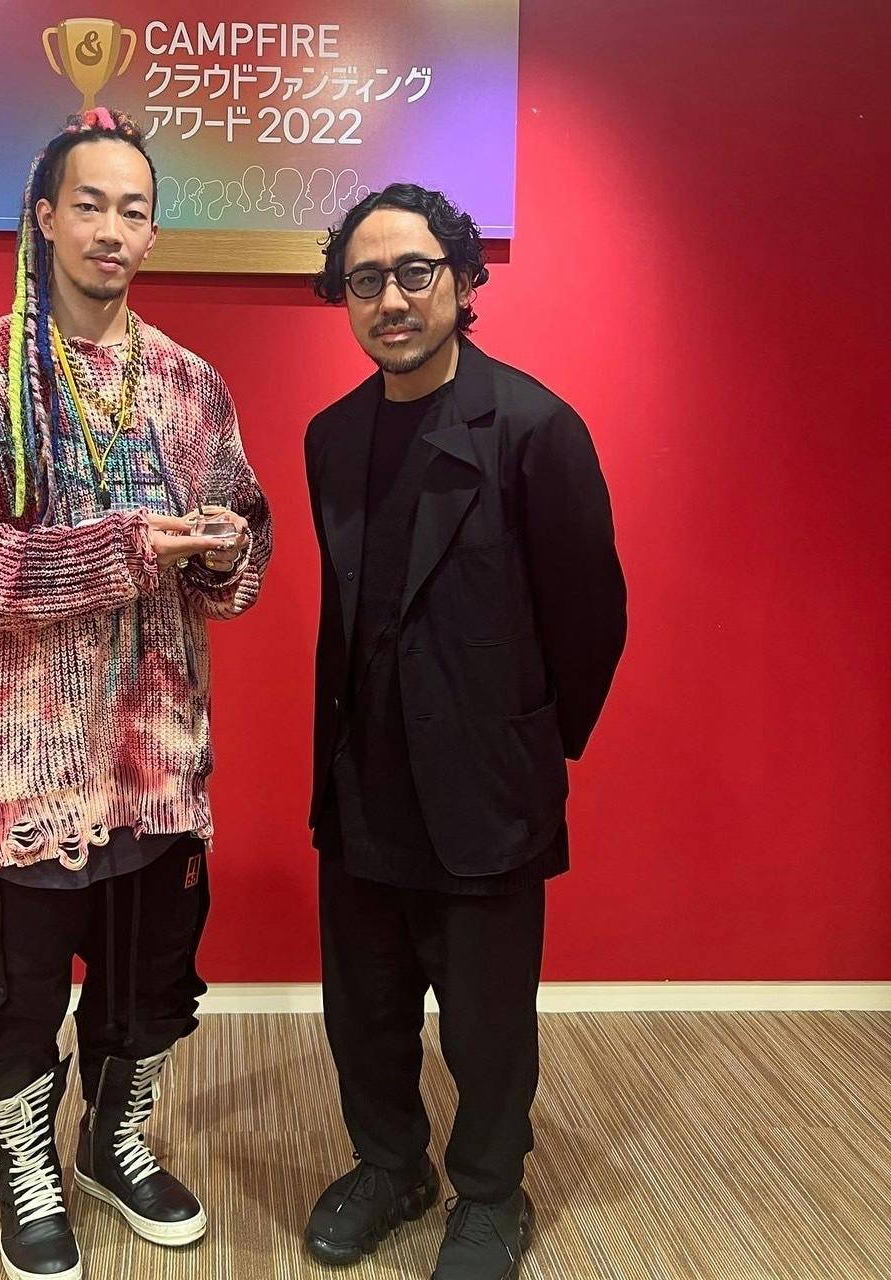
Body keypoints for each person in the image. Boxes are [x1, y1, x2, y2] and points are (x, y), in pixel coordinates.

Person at [0, 107, 272, 1280]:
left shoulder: (190, 383)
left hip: (159, 762)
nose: (114, 229)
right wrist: (122, 547)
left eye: (134, 210)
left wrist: (221, 552)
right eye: (92, 205)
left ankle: (114, 1138)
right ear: (46, 216)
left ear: (152, 232)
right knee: (14, 993)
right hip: (26, 771)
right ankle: (23, 1160)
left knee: (150, 979)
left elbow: (244, 539)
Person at [301, 183, 626, 1280]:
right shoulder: (331, 437)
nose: (389, 299)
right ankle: (390, 1165)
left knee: (487, 1023)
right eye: (365, 279)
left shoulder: (534, 427)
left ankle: (489, 1192)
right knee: (364, 1009)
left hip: (486, 781)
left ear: (461, 278)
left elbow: (591, 615)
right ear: (343, 296)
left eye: (412, 272)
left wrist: (528, 739)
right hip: (361, 778)